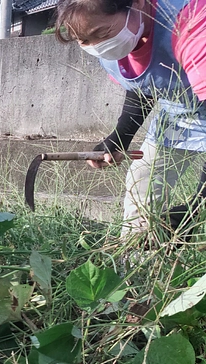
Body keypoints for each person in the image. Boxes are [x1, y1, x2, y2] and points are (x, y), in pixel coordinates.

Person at [55, 0, 206, 238]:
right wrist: (119, 138)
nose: (97, 46)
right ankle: (136, 253)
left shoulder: (192, 24)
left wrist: (200, 205)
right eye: (84, 40)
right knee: (143, 180)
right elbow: (146, 84)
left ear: (138, 4)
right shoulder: (119, 39)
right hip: (180, 112)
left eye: (101, 33)